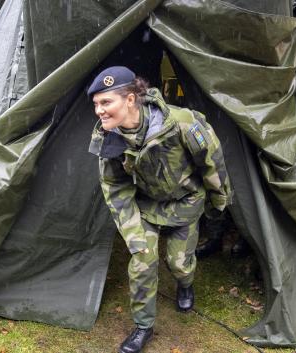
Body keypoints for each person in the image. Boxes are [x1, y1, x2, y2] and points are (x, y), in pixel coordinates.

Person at [88, 66, 231, 353]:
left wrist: (219, 204)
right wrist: (133, 236)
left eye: (106, 102)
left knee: (179, 263)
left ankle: (185, 284)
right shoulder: (108, 137)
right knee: (142, 263)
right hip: (148, 206)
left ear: (130, 99)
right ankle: (143, 327)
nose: (99, 111)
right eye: (96, 104)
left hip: (185, 202)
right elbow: (114, 188)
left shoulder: (182, 124)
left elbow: (212, 163)